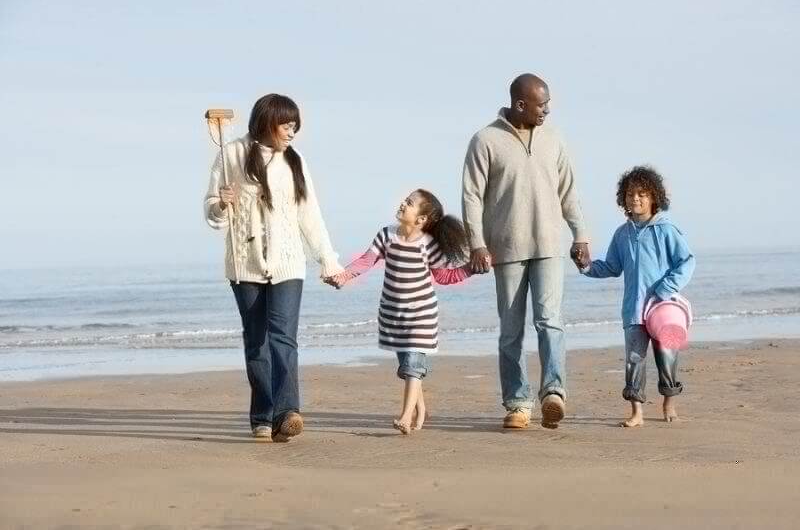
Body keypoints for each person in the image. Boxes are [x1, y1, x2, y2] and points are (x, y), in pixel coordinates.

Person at [204, 94, 343, 442]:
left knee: (283, 338)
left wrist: (328, 260)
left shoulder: (295, 162)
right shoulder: (231, 154)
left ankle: (287, 412)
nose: (292, 131)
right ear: (267, 122)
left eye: (295, 126)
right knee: (256, 342)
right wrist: (222, 202)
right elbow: (212, 213)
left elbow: (310, 216)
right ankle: (262, 417)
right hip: (244, 264)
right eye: (286, 124)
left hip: (288, 263)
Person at [462, 73, 590, 429]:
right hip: (507, 249)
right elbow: (471, 196)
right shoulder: (485, 140)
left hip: (550, 245)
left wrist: (581, 234)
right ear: (521, 104)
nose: (547, 110)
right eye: (542, 104)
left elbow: (568, 190)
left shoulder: (554, 137)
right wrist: (476, 243)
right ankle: (518, 403)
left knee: (549, 320)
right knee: (511, 330)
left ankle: (553, 393)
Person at [327, 190, 473, 434]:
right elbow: (366, 260)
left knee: (413, 366)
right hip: (393, 316)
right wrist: (344, 275)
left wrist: (470, 269)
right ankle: (421, 408)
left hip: (422, 315)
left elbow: (445, 276)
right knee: (409, 368)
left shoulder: (429, 246)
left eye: (410, 203)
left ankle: (405, 417)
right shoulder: (386, 235)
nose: (403, 203)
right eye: (405, 200)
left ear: (421, 219)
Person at [578, 165, 695, 427]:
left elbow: (686, 262)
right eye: (630, 194)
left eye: (642, 193)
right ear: (624, 199)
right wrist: (585, 266)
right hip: (633, 310)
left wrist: (666, 288)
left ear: (654, 197)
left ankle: (669, 401)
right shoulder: (622, 234)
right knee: (634, 359)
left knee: (667, 355)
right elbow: (611, 267)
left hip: (663, 308)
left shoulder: (666, 230)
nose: (636, 199)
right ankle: (637, 413)